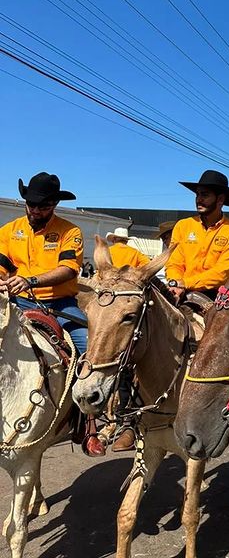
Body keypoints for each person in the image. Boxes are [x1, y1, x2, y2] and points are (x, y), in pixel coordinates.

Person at [0, 172, 104, 456]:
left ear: (54, 205)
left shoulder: (69, 232)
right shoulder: (9, 231)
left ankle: (92, 421)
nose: (36, 211)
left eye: (43, 206)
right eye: (31, 205)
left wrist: (31, 280)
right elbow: (2, 265)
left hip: (60, 305)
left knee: (90, 350)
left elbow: (69, 269)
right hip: (19, 302)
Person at [165, 170, 229, 301]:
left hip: (217, 298)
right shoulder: (183, 225)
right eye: (197, 194)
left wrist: (185, 283)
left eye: (205, 195)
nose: (199, 199)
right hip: (179, 290)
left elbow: (221, 273)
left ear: (220, 199)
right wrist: (175, 283)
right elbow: (174, 263)